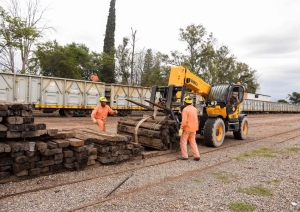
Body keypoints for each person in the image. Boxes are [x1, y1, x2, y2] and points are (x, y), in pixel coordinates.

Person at [177, 96, 200, 161]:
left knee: (183, 142)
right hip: (194, 128)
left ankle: (184, 156)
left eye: (184, 102)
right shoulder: (194, 109)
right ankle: (197, 156)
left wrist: (181, 128)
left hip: (187, 128)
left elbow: (184, 121)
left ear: (185, 103)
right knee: (193, 141)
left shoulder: (185, 110)